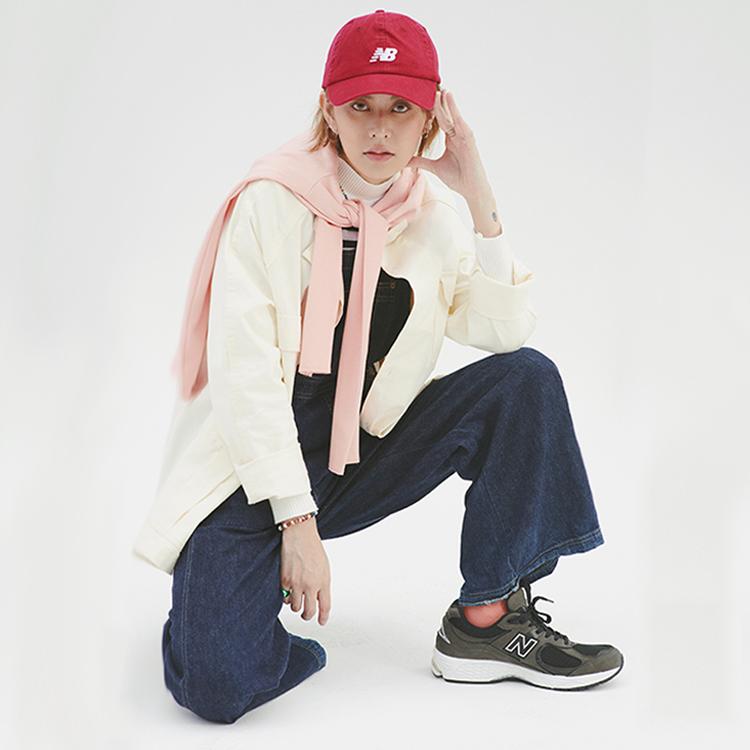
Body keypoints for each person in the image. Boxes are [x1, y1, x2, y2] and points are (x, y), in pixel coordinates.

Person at [133, 9, 624, 724]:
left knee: (526, 379)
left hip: (358, 453)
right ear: (328, 110)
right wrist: (295, 523)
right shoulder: (270, 203)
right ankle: (222, 606)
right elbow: (244, 381)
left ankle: (487, 619)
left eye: (402, 109)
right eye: (361, 106)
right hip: (249, 469)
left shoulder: (432, 218)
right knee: (216, 688)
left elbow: (506, 330)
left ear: (430, 119)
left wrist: (478, 195)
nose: (380, 130)